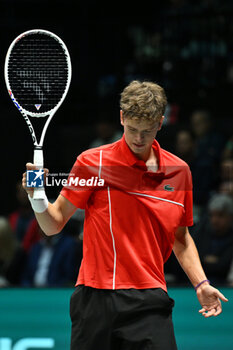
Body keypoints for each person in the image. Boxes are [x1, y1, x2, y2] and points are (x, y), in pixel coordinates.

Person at [22, 80, 228, 350]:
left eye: (147, 131)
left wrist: (201, 283)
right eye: (132, 129)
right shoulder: (91, 163)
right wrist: (36, 197)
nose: (138, 139)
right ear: (121, 118)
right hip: (95, 297)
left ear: (160, 123)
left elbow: (181, 236)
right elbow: (53, 224)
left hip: (149, 299)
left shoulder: (180, 172)